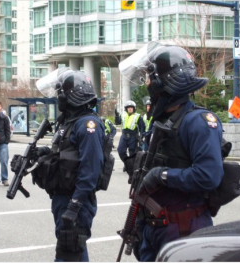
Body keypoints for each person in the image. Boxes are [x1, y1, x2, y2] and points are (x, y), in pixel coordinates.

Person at [119, 42, 224, 261]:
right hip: (154, 228)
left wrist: (163, 175)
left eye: (149, 77)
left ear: (162, 81)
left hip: (183, 229)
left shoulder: (199, 121)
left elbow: (209, 175)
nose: (146, 83)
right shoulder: (160, 122)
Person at [34, 68, 105, 261]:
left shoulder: (87, 125)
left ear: (71, 95)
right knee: (72, 251)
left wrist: (75, 205)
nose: (59, 98)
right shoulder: (70, 122)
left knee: (70, 251)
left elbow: (90, 168)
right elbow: (66, 156)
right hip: (63, 197)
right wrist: (42, 153)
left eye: (61, 93)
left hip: (76, 199)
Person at [115, 100, 145, 169]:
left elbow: (142, 128)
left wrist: (141, 137)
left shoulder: (138, 116)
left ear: (134, 108)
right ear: (126, 109)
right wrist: (116, 115)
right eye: (128, 107)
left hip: (133, 136)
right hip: (124, 136)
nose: (130, 109)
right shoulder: (123, 115)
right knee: (121, 150)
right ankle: (127, 163)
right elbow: (117, 122)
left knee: (132, 153)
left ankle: (131, 166)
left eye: (131, 107)